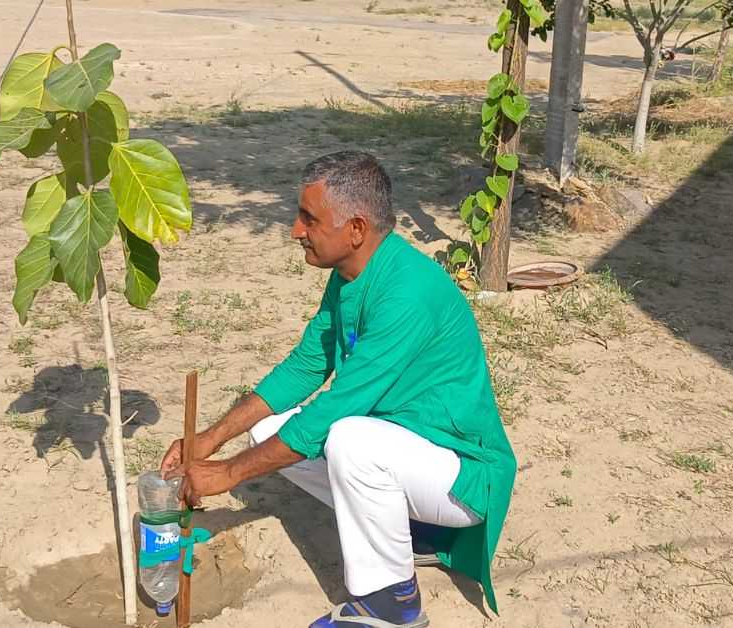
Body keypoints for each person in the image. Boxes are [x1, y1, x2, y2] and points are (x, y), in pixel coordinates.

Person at [160, 150, 516, 628]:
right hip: (408, 452)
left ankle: (392, 604)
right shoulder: (351, 274)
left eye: (309, 218)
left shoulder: (407, 293)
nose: (295, 230)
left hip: (463, 476)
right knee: (269, 427)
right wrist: (210, 439)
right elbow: (305, 368)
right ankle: (410, 532)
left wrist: (226, 475)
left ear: (356, 230)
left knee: (348, 438)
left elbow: (334, 412)